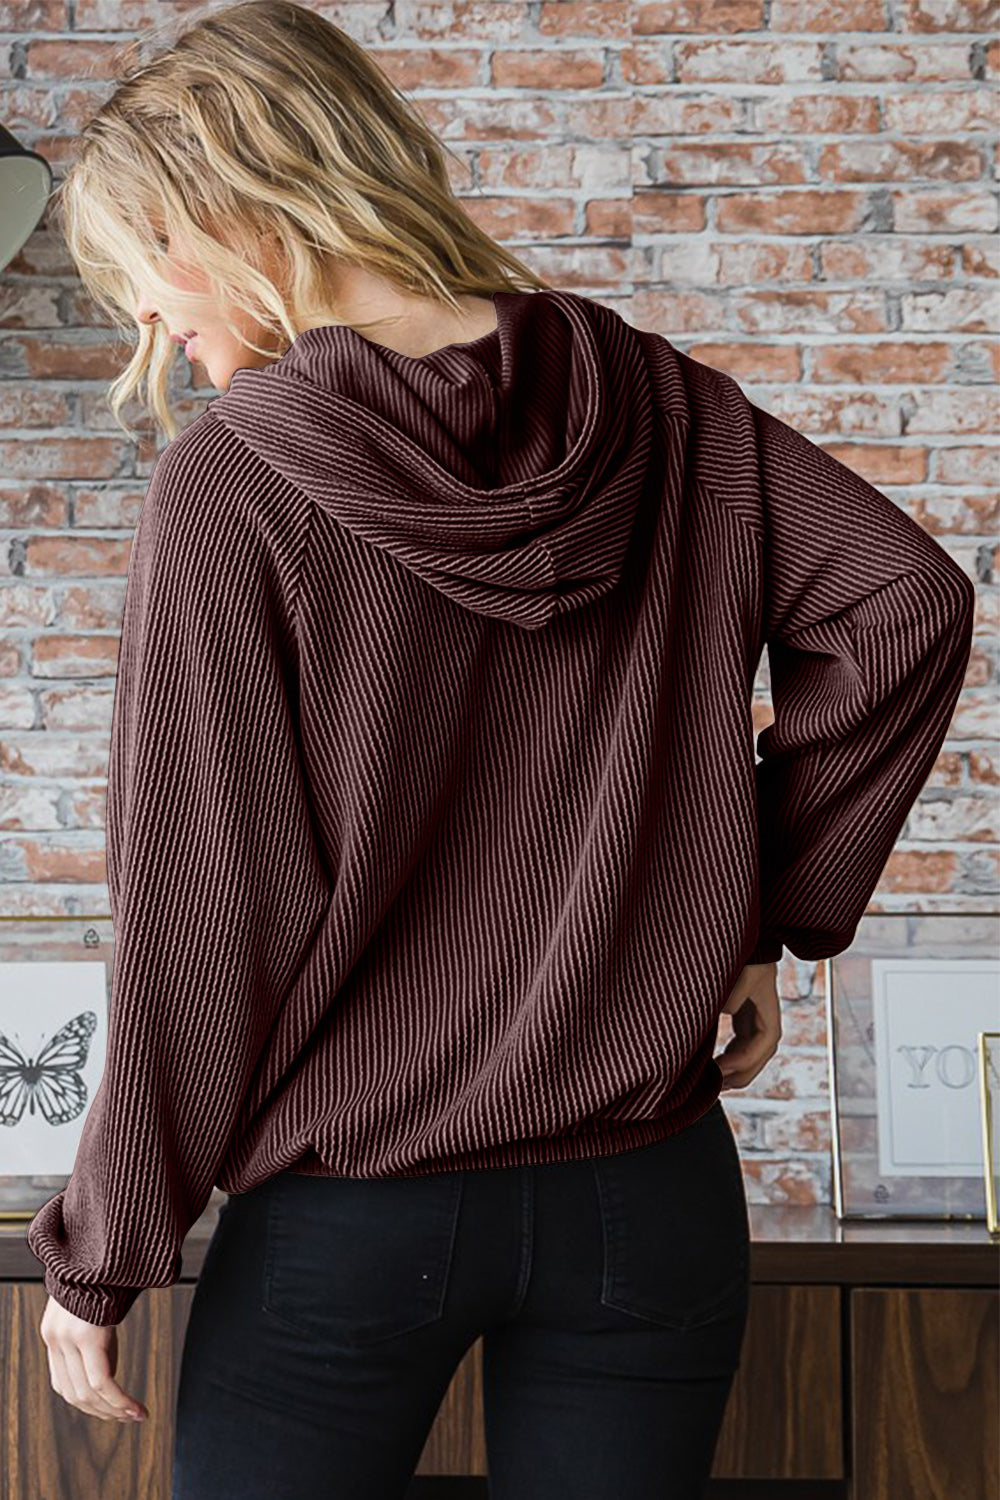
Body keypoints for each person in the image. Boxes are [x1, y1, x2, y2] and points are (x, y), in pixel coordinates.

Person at [24, 3, 975, 1497]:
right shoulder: (660, 402)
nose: (147, 321)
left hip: (350, 1211)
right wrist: (761, 908)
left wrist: (102, 1249)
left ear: (234, 210)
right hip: (647, 1196)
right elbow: (903, 603)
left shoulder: (234, 478)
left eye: (143, 268)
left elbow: (209, 910)